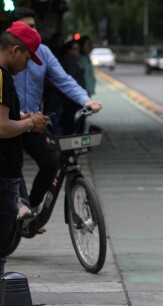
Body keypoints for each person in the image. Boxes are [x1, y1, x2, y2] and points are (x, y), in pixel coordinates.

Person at [9, 7, 102, 218]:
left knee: (51, 162)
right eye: (27, 27)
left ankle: (30, 209)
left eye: (35, 27)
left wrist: (86, 100)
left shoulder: (43, 52)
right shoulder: (5, 52)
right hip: (6, 123)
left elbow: (64, 80)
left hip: (33, 121)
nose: (33, 32)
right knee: (12, 166)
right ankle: (17, 206)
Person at [0, 22, 50, 274]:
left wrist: (23, 117)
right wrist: (30, 123)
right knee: (3, 241)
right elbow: (1, 127)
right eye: (27, 58)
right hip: (3, 172)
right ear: (15, 50)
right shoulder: (1, 77)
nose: (27, 66)